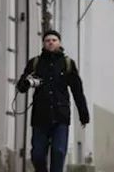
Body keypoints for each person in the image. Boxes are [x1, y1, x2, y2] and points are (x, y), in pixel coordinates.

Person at [16, 30, 90, 172]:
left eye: (54, 40)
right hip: (40, 115)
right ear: (43, 43)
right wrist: (26, 83)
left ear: (59, 43)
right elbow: (21, 86)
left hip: (60, 115)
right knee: (37, 154)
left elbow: (77, 90)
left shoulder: (67, 63)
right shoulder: (35, 63)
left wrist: (83, 114)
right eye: (48, 40)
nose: (51, 42)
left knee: (59, 151)